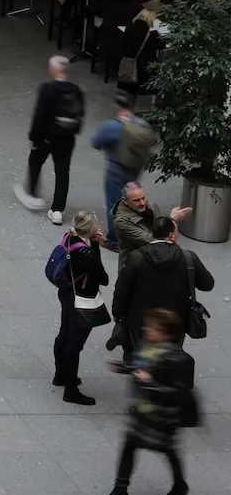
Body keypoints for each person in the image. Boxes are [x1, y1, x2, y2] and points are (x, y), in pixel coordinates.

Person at [96, 307, 194, 495]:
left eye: (153, 328)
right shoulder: (147, 346)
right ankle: (121, 489)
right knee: (131, 445)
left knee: (167, 448)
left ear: (165, 332)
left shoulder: (180, 359)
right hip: (143, 409)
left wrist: (151, 383)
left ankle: (178, 485)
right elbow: (139, 365)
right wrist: (124, 368)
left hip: (163, 413)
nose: (147, 330)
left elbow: (181, 391)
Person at [114, 215, 215, 353]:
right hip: (176, 320)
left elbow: (122, 290)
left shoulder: (136, 257)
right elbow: (208, 284)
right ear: (172, 236)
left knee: (140, 353)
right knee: (171, 354)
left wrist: (118, 313)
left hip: (141, 319)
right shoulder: (188, 258)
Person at [15, 56, 84, 225]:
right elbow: (80, 115)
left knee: (35, 162)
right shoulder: (76, 90)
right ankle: (57, 210)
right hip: (67, 138)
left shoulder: (47, 89)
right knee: (62, 172)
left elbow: (40, 115)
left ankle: (32, 194)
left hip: (46, 137)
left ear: (52, 70)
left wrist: (33, 137)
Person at [51, 212, 109, 407]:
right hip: (81, 300)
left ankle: (60, 375)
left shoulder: (68, 237)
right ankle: (71, 390)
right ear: (90, 230)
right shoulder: (86, 252)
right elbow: (103, 278)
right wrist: (95, 246)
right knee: (74, 345)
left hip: (66, 294)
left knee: (63, 334)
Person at [89, 96, 158, 247]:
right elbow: (153, 141)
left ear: (117, 105)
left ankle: (115, 240)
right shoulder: (143, 124)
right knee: (134, 201)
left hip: (116, 170)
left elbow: (96, 143)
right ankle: (134, 233)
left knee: (114, 204)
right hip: (136, 169)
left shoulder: (112, 126)